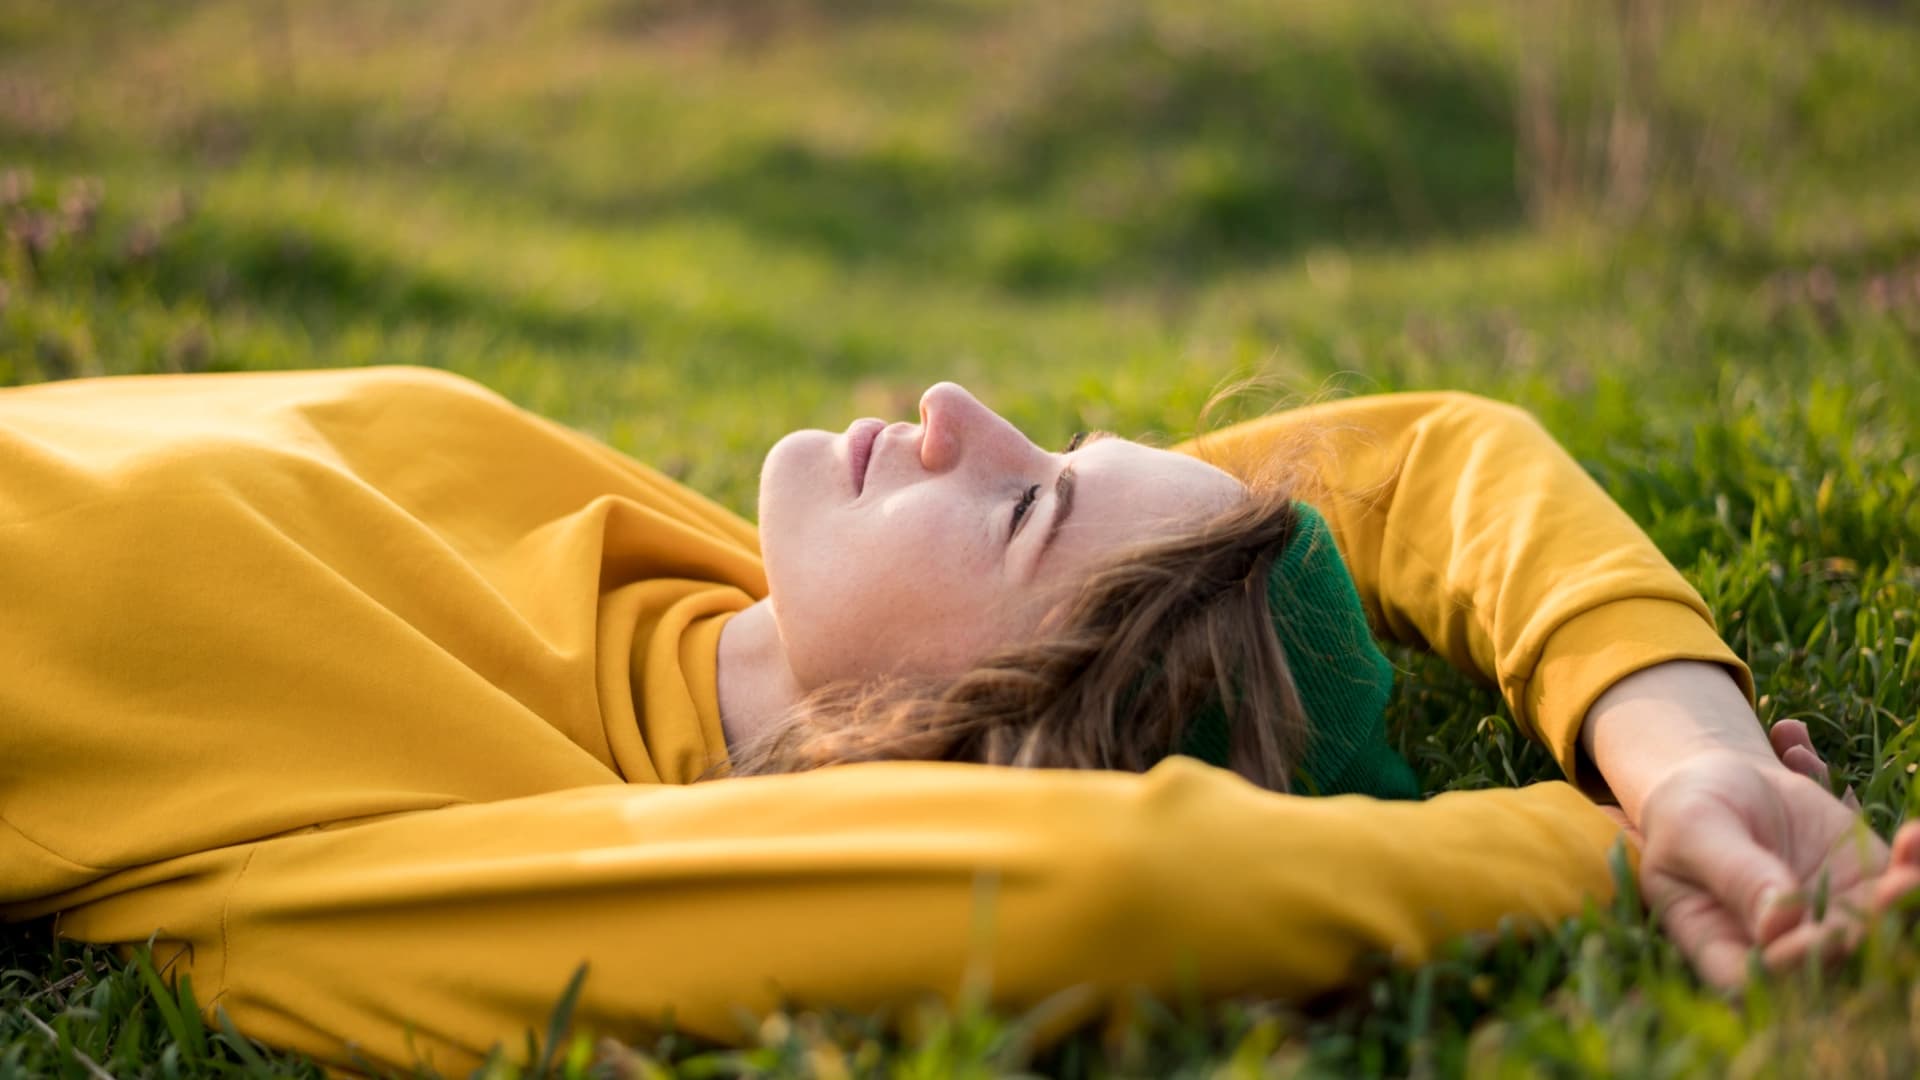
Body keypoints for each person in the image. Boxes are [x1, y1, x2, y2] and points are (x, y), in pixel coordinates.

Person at [0, 366, 1912, 1075]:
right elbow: (1416, 460)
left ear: (967, 726)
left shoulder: (472, 846)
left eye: (1020, 504)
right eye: (1046, 452)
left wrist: (1576, 846)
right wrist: (1683, 748)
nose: (947, 409)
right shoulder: (689, 584)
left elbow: (1093, 884)